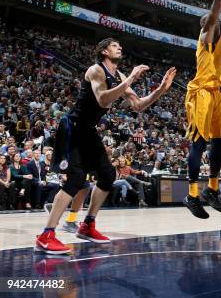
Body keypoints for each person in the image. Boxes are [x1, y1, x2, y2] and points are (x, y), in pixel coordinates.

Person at [35, 38, 176, 254]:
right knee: (76, 180)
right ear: (103, 51)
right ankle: (46, 235)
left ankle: (87, 225)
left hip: (88, 130)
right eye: (114, 45)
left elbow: (138, 106)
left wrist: (161, 90)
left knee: (108, 174)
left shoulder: (118, 76)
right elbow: (102, 100)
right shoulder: (96, 70)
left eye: (120, 45)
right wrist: (130, 78)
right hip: (72, 127)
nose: (120, 47)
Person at [182, 0, 221, 220]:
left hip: (215, 94)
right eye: (212, 19)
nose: (216, 21)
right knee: (199, 143)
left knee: (220, 141)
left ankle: (212, 189)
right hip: (200, 93)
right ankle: (191, 195)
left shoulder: (219, 47)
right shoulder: (206, 35)